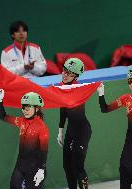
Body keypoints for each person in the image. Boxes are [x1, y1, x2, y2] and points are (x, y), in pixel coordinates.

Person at [0, 89, 49, 189]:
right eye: (23, 107)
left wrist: (41, 169)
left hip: (35, 168)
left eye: (28, 107)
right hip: (20, 165)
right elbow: (2, 116)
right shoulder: (20, 122)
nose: (25, 110)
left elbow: (44, 151)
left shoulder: (42, 128)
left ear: (37, 108)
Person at [56, 58, 91, 189]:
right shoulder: (62, 86)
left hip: (82, 131)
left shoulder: (78, 89)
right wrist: (60, 129)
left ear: (76, 76)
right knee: (67, 166)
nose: (65, 74)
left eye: (69, 73)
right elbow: (63, 109)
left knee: (77, 166)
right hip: (71, 129)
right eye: (64, 70)